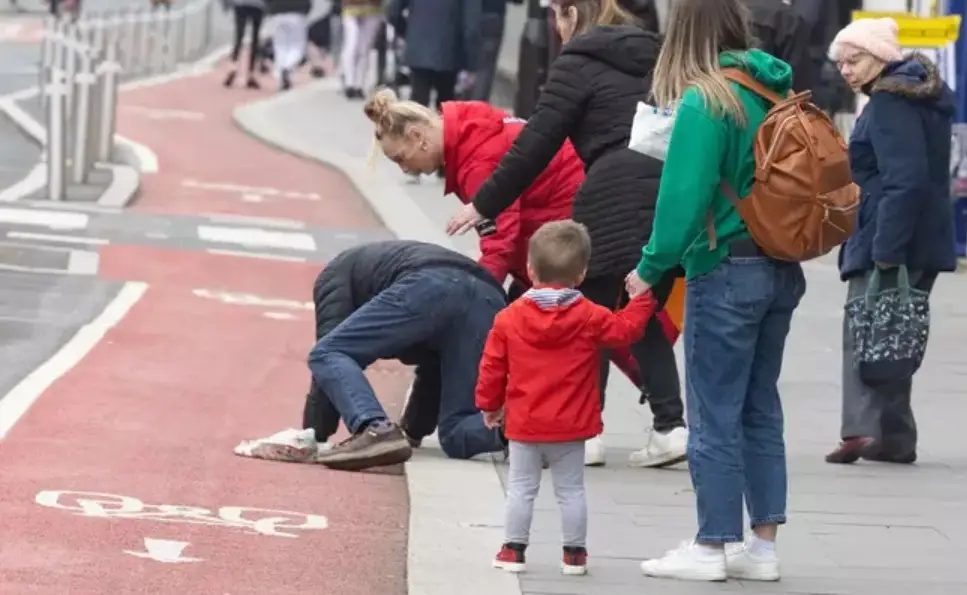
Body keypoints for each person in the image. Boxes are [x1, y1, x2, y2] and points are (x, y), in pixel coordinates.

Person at [445, 0, 688, 468]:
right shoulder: (657, 56)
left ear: (574, 14)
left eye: (557, 14)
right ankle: (670, 428)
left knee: (586, 313)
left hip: (610, 191)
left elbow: (536, 142)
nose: (555, 26)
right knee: (641, 308)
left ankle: (586, 434)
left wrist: (483, 204)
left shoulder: (578, 63)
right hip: (668, 192)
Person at [625, 0, 806, 582]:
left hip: (726, 266)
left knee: (713, 409)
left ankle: (711, 544)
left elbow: (681, 199)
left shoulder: (708, 99)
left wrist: (650, 268)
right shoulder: (774, 89)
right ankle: (763, 548)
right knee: (759, 405)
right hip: (780, 264)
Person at [480, 221, 657, 576]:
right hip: (571, 427)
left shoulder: (508, 319)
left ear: (530, 270)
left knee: (521, 489)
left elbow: (492, 368)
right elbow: (625, 330)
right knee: (571, 491)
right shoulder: (589, 316)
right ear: (581, 274)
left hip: (525, 424)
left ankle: (513, 550)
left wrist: (490, 405)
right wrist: (642, 299)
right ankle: (574, 554)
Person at [824, 18, 956, 465]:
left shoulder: (888, 103)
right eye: (840, 62)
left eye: (854, 59)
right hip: (926, 235)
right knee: (893, 333)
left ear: (881, 56)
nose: (845, 69)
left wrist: (885, 250)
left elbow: (904, 180)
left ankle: (859, 430)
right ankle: (896, 437)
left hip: (892, 234)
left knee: (864, 328)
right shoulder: (922, 98)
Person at [305, 240, 508, 471]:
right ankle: (515, 427)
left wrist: (312, 434)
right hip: (488, 297)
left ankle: (374, 428)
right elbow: (434, 367)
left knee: (326, 352)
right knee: (456, 433)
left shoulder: (332, 276)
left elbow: (329, 357)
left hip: (431, 284)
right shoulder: (369, 266)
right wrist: (412, 431)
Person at [386, 0, 482, 119]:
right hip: (450, 48)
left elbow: (393, 12)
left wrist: (408, 31)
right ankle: (442, 134)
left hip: (418, 46)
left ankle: (415, 133)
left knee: (418, 101)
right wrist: (471, 63)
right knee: (446, 102)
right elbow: (472, 27)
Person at [339, 0, 382, 98]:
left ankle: (359, 85)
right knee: (351, 44)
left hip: (372, 8)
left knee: (365, 48)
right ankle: (349, 83)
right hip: (350, 7)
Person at [265, 0, 312, 91]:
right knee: (298, 46)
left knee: (280, 46)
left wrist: (269, 8)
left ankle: (281, 72)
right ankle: (288, 67)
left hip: (277, 12)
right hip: (297, 12)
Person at [224, 0, 266, 89]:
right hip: (258, 5)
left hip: (241, 4)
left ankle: (233, 66)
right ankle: (251, 73)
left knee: (239, 36)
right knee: (255, 38)